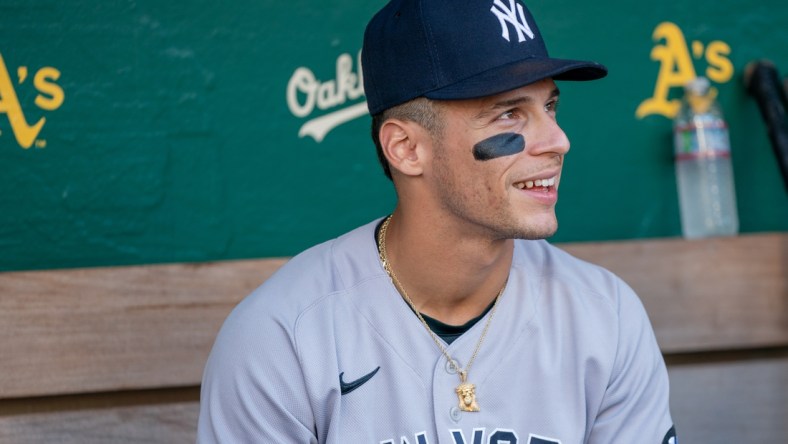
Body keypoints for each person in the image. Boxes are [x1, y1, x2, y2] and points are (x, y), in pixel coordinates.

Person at [197, 0, 676, 442]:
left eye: (549, 107)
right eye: (510, 114)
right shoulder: (282, 337)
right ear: (407, 148)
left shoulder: (605, 316)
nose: (558, 140)